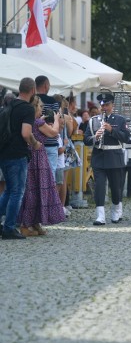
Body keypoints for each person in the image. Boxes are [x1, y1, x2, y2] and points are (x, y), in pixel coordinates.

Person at [18, 96, 66, 236]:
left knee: (35, 190)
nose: (41, 109)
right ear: (34, 108)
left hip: (33, 158)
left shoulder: (31, 121)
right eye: (39, 107)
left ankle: (35, 222)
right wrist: (56, 120)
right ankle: (26, 224)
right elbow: (53, 132)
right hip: (37, 158)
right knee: (35, 191)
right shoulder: (37, 122)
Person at [0, 78, 40, 239]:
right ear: (32, 91)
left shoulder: (9, 105)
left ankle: (5, 226)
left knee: (9, 190)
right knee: (17, 192)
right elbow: (25, 133)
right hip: (17, 154)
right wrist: (35, 143)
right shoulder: (27, 109)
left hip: (4, 152)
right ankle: (9, 228)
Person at [84, 92, 130, 225]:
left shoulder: (120, 120)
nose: (104, 107)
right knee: (99, 187)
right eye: (102, 105)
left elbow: (125, 138)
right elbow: (86, 139)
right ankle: (100, 216)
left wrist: (111, 130)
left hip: (114, 157)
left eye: (107, 105)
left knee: (115, 187)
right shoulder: (93, 121)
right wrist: (95, 137)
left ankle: (116, 211)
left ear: (112, 105)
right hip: (99, 157)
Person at [35, 75, 60, 178]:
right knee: (51, 175)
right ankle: (49, 194)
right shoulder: (52, 101)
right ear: (45, 85)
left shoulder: (32, 101)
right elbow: (58, 119)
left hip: (35, 143)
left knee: (36, 176)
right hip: (50, 142)